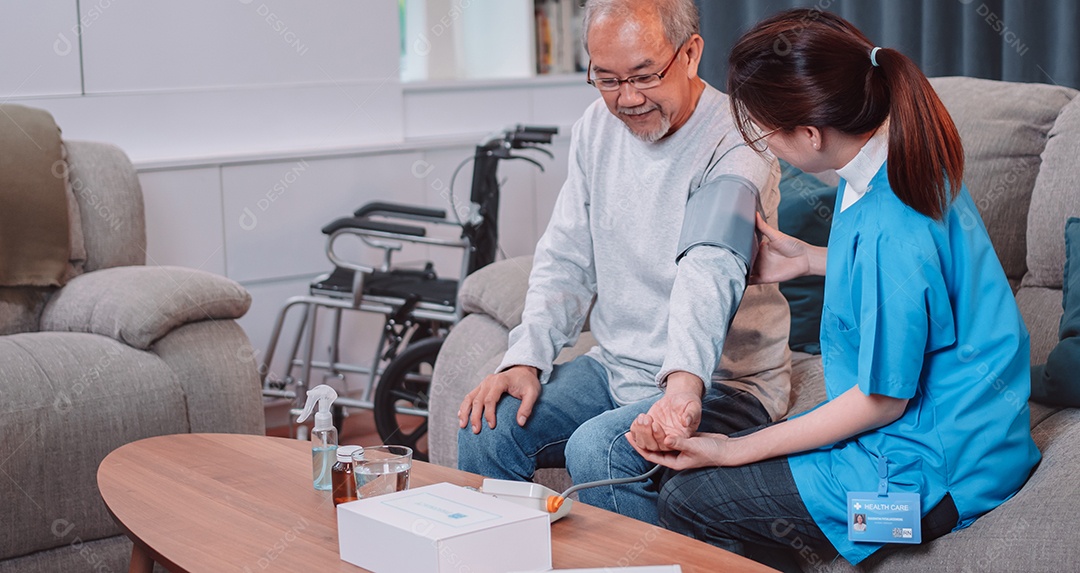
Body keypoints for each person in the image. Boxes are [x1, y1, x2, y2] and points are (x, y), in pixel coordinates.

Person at [628, 8, 1041, 569]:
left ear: (811, 133)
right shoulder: (899, 155)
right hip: (979, 434)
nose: (767, 148)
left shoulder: (890, 222)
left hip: (934, 474)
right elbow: (923, 282)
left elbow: (881, 401)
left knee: (692, 497)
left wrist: (731, 450)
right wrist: (814, 260)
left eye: (768, 132)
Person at [456, 0, 792, 525]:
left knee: (598, 450)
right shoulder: (595, 127)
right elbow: (566, 255)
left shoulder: (737, 137)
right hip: (616, 368)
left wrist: (682, 388)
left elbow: (709, 269)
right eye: (606, 79)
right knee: (489, 426)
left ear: (691, 54)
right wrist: (525, 358)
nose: (627, 99)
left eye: (643, 76)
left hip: (727, 382)